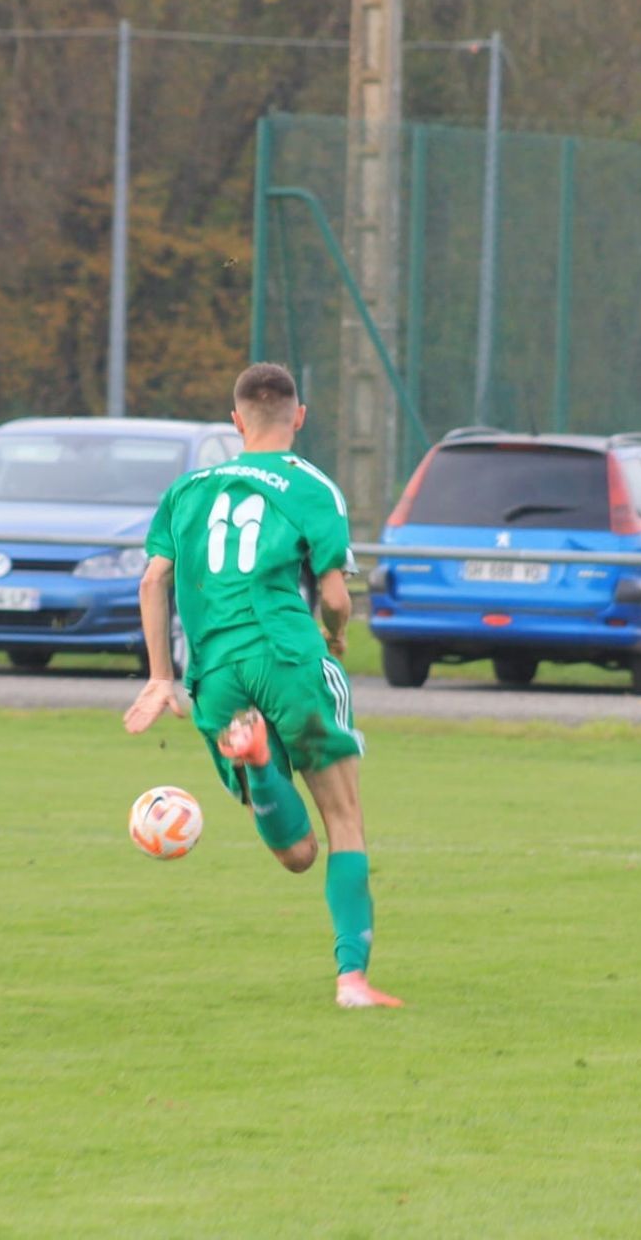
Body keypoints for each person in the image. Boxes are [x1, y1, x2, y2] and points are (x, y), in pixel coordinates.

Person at [124, 362, 400, 1008]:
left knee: (295, 853)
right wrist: (335, 636)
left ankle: (258, 764)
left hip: (215, 672)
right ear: (298, 417)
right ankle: (352, 979)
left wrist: (162, 679)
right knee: (343, 824)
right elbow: (333, 595)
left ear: (235, 422)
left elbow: (151, 581)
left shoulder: (188, 489)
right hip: (286, 656)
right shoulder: (311, 486)